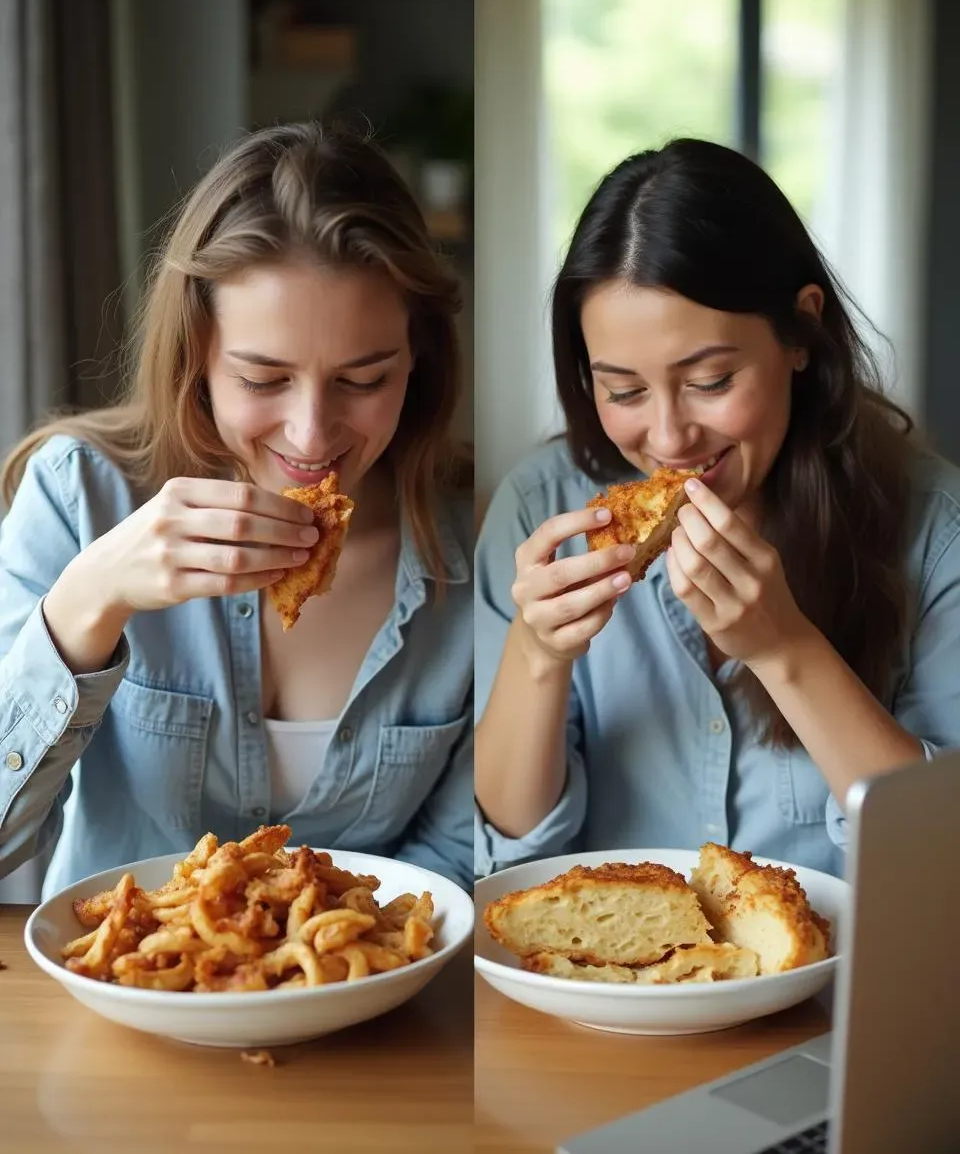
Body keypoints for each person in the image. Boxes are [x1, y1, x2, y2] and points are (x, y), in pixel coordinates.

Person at [0, 121, 473, 897]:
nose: (312, 433)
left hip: (378, 1010)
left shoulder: (472, 537)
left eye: (363, 380)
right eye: (262, 380)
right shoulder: (78, 494)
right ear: (198, 359)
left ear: (416, 360)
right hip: (117, 997)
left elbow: (458, 864)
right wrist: (92, 600)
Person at [475, 137, 960, 880]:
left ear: (802, 333)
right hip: (604, 989)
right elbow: (507, 850)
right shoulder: (540, 509)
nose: (668, 437)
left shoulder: (938, 530)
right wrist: (538, 658)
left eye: (710, 379)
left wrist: (785, 649)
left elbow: (938, 861)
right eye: (624, 391)